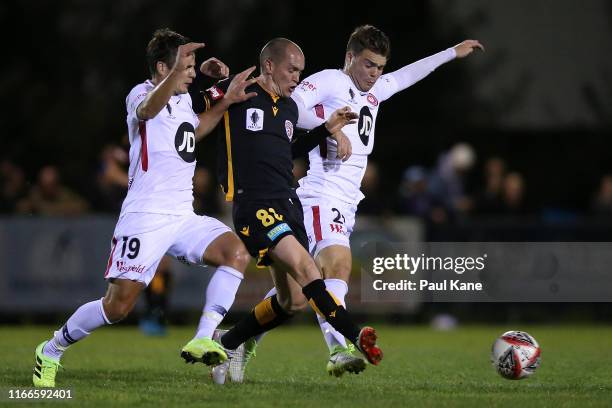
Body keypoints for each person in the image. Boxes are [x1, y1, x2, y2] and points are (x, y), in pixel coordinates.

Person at [241, 25, 484, 378]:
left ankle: (239, 337)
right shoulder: (330, 81)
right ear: (350, 57)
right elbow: (290, 107)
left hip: (347, 199)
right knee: (337, 264)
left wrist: (452, 52)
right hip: (321, 193)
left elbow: (406, 76)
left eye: (379, 67)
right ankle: (338, 348)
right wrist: (331, 127)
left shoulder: (375, 90)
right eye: (368, 64)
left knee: (294, 294)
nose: (374, 74)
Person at [32, 28, 258, 388]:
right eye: (186, 65)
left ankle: (204, 336)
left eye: (193, 66)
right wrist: (181, 76)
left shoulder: (185, 99)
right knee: (116, 308)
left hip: (183, 214)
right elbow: (150, 108)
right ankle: (52, 348)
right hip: (145, 215)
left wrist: (225, 99)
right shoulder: (140, 94)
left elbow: (195, 131)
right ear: (161, 67)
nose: (192, 72)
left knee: (236, 253)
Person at [201, 38, 383, 382]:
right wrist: (205, 75)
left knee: (293, 301)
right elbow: (200, 100)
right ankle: (350, 336)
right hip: (254, 205)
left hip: (288, 203)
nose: (298, 77)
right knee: (307, 268)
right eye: (292, 69)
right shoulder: (242, 92)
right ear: (269, 65)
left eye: (301, 71)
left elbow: (290, 150)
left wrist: (326, 130)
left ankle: (228, 343)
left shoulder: (286, 109)